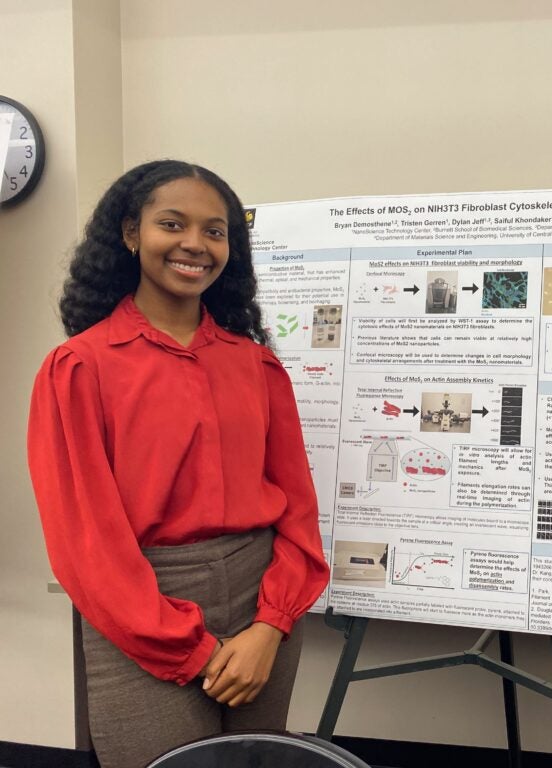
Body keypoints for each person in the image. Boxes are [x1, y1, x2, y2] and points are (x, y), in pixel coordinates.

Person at [27, 160, 330, 768]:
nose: (195, 244)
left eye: (215, 231)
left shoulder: (256, 366)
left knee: (255, 764)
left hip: (260, 597)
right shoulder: (80, 369)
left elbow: (296, 510)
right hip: (141, 606)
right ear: (131, 234)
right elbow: (86, 539)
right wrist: (189, 650)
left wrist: (271, 626)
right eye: (173, 224)